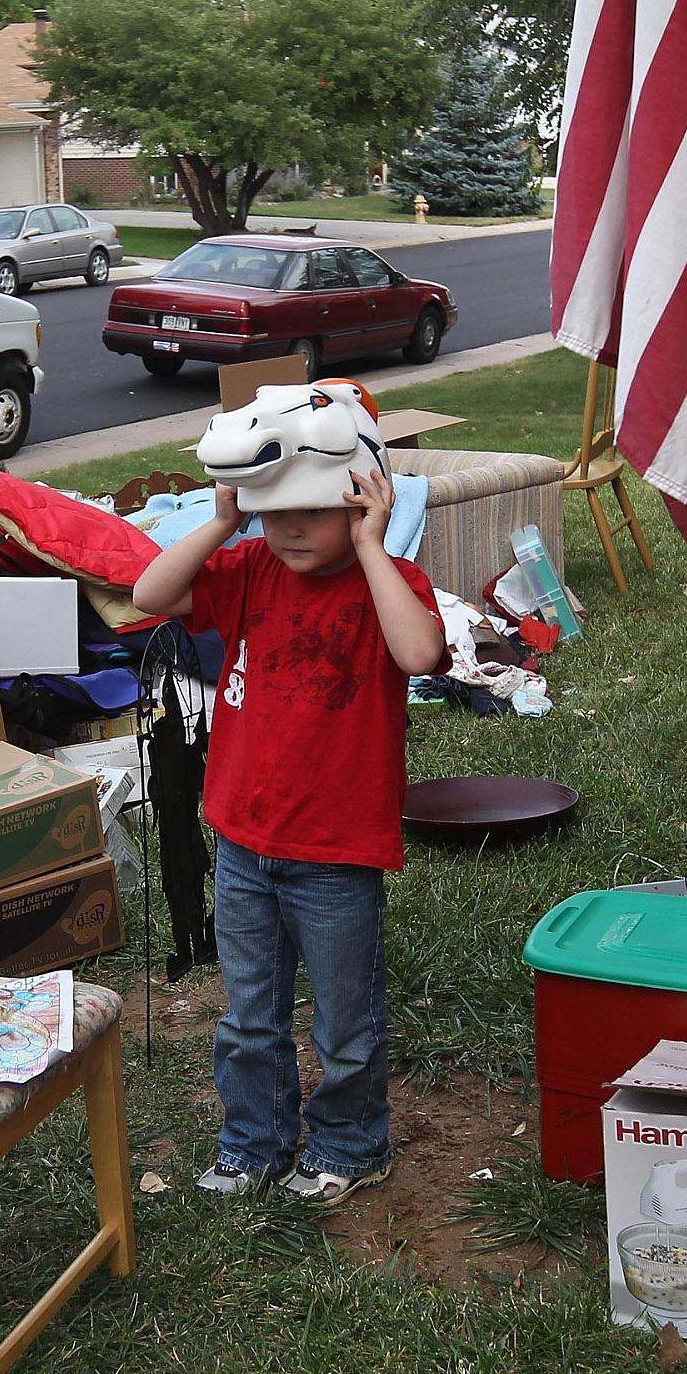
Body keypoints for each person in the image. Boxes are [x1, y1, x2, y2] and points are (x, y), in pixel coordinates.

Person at [130, 405, 445, 1204]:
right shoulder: (250, 572)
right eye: (277, 515)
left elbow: (418, 652)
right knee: (247, 1016)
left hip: (336, 854)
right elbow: (147, 593)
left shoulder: (390, 582)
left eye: (314, 512)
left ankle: (349, 1142)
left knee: (345, 1024)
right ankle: (254, 1143)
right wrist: (223, 521)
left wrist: (373, 544)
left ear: (359, 501)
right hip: (242, 842)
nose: (293, 530)